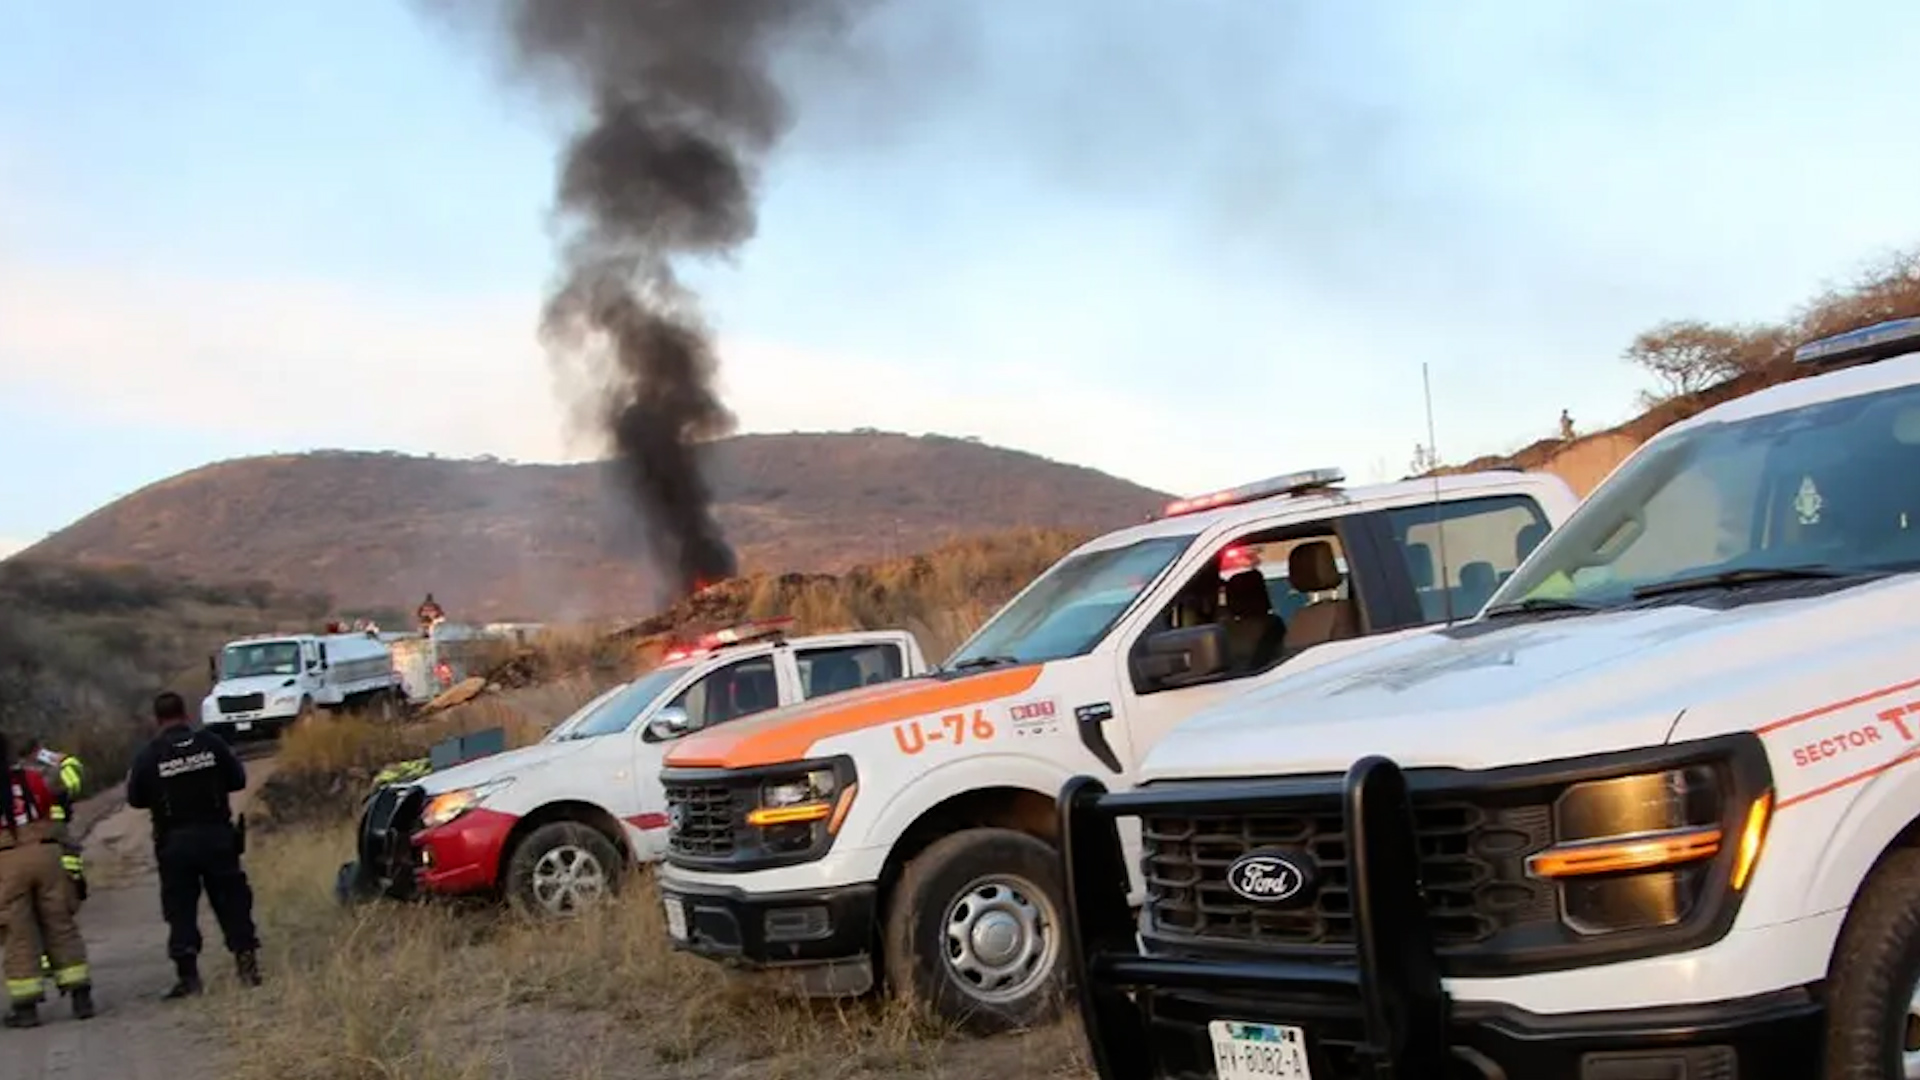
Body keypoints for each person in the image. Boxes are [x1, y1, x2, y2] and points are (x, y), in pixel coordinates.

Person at [124, 691, 262, 998]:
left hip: (175, 843)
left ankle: (189, 978)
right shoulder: (212, 744)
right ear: (186, 714)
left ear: (157, 720)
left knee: (180, 909)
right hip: (217, 837)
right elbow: (238, 780)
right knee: (232, 901)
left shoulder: (150, 755)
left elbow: (135, 799)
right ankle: (247, 966)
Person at [0, 731, 93, 1026]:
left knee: (18, 932)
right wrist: (47, 756)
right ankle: (81, 996)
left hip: (7, 859)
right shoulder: (32, 778)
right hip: (46, 853)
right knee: (60, 923)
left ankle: (26, 1009)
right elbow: (60, 788)